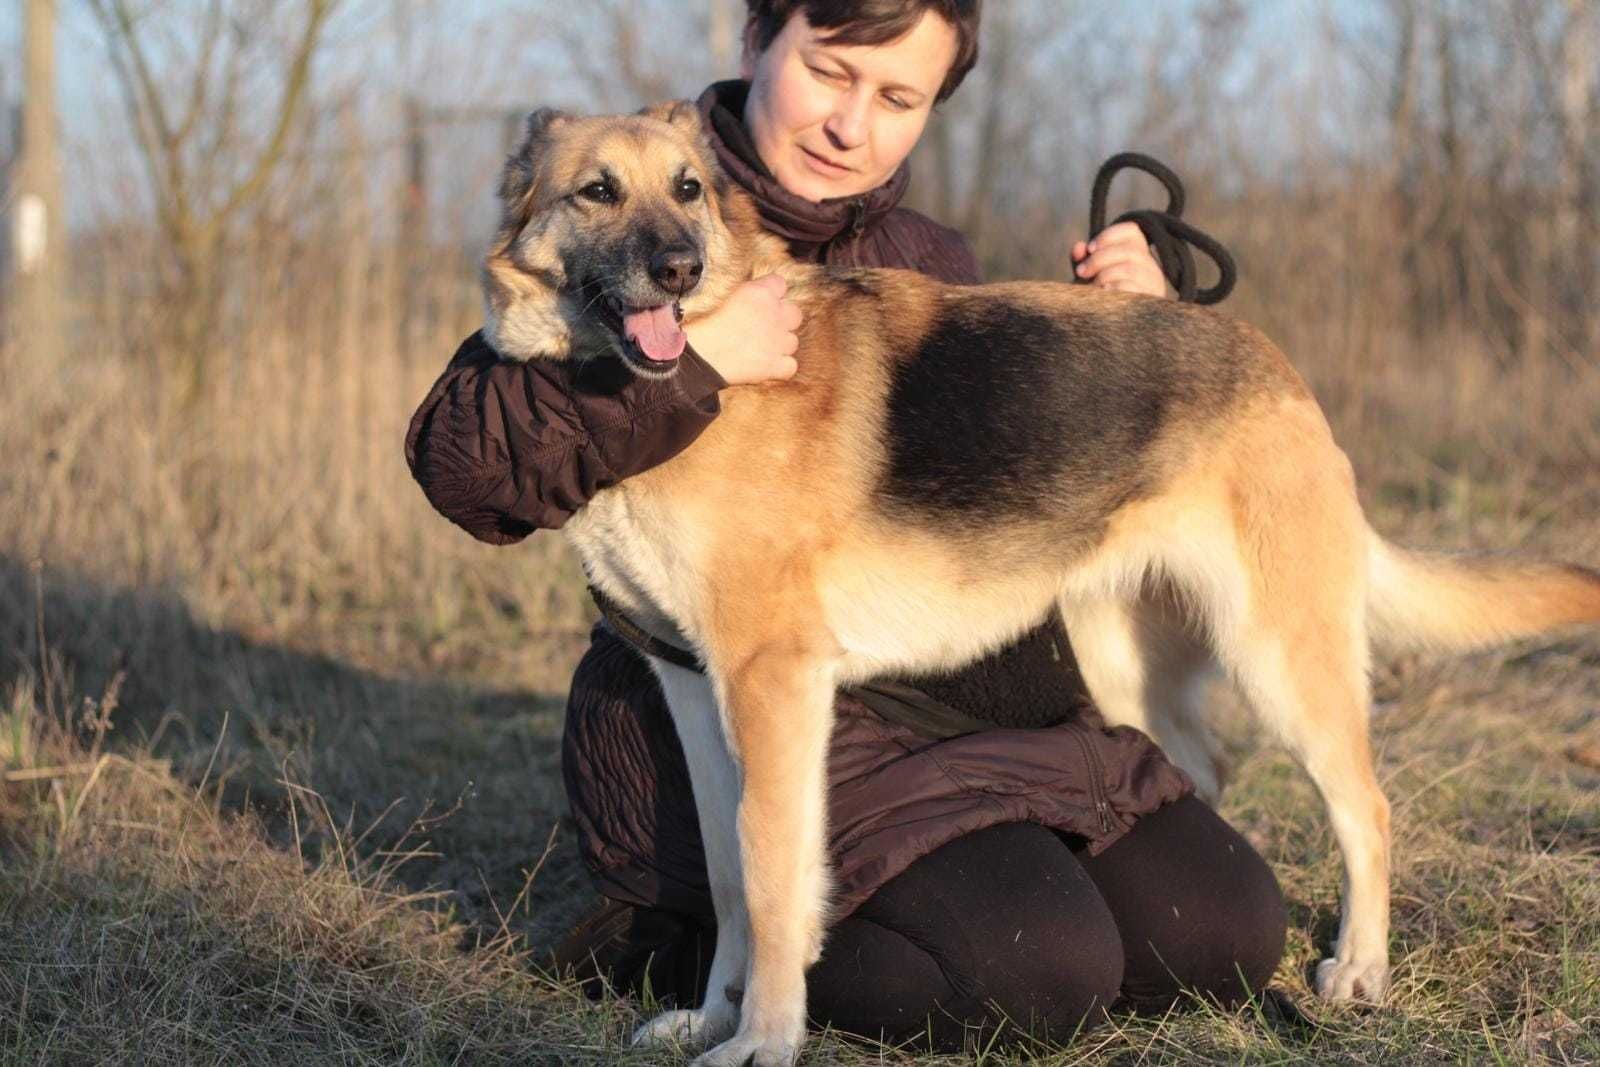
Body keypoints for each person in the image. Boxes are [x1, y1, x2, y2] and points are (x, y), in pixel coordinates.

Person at [406, 0, 1286, 1052]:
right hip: (724, 730)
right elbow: (467, 462)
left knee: (1222, 930)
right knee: (1035, 965)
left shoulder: (927, 253)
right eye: (829, 72)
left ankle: (902, 902)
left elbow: (996, 472)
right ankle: (703, 946)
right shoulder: (608, 276)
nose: (850, 124)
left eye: (897, 97)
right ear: (754, 43)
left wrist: (1137, 333)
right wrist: (691, 365)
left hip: (922, 705)